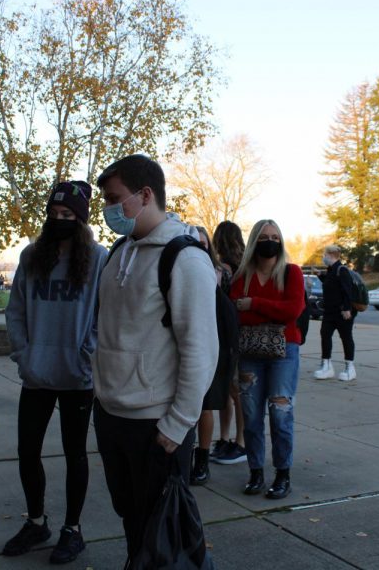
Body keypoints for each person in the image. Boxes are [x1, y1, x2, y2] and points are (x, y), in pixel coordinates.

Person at [93, 154, 218, 562]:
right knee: (133, 522)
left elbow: (201, 350)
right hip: (113, 416)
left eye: (115, 199)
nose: (109, 210)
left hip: (155, 427)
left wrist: (177, 425)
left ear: (146, 195)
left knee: (163, 537)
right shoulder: (119, 253)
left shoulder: (184, 258)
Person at [3, 181, 107, 564]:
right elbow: (15, 310)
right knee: (27, 452)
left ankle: (72, 529)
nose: (59, 220)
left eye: (68, 216)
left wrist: (87, 355)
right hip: (37, 375)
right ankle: (36, 522)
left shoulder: (98, 259)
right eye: (54, 214)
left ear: (81, 220)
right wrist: (23, 354)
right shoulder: (32, 256)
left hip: (77, 378)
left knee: (75, 454)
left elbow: (105, 316)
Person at [230, 219, 305, 499]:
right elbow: (238, 314)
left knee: (280, 415)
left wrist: (255, 304)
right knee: (251, 417)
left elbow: (293, 310)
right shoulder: (242, 276)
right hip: (250, 354)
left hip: (284, 353)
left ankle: (282, 475)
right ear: (254, 242)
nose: (270, 241)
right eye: (264, 237)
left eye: (274, 236)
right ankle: (256, 473)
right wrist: (272, 311)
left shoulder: (291, 273)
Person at [189, 226, 233, 486]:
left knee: (206, 406)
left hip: (214, 343)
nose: (200, 248)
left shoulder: (221, 273)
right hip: (186, 343)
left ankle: (202, 460)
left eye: (204, 243)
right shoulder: (177, 267)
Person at [208, 220, 248, 465]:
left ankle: (238, 442)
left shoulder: (224, 268)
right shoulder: (244, 266)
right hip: (237, 333)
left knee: (232, 390)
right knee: (230, 391)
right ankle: (230, 439)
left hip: (228, 336)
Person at [314, 245, 358, 381]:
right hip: (329, 312)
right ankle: (326, 366)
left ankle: (350, 368)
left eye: (324, 254)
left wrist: (346, 309)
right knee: (325, 335)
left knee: (346, 338)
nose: (323, 257)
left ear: (331, 255)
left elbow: (347, 290)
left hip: (342, 313)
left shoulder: (342, 270)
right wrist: (320, 275)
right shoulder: (331, 270)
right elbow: (331, 284)